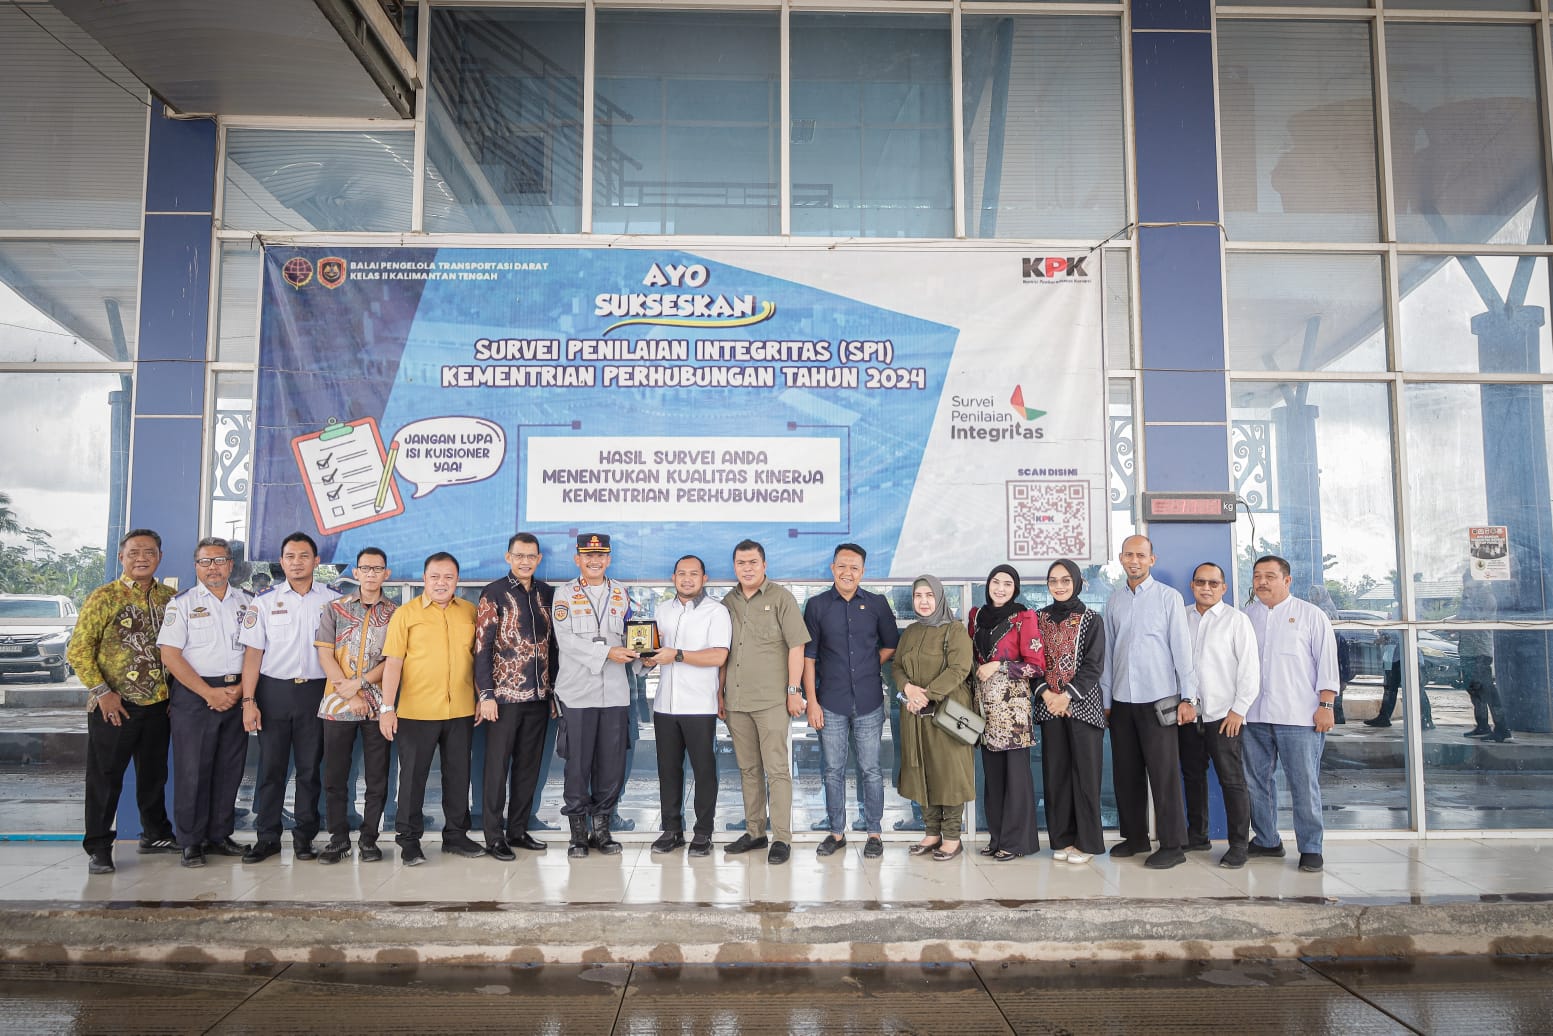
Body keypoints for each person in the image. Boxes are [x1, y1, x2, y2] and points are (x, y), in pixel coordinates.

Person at [70, 529, 178, 874]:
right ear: (122, 558)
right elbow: (78, 650)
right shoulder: (104, 597)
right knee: (105, 778)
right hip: (114, 705)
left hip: (159, 704)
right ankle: (99, 847)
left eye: (149, 552)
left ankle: (155, 833)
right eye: (134, 553)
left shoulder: (171, 599)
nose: (141, 558)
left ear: (159, 557)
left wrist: (175, 693)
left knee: (154, 775)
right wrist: (103, 693)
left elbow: (180, 651)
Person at [377, 551, 486, 865]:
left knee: (458, 776)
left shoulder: (469, 612)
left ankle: (456, 835)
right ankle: (409, 840)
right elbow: (393, 663)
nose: (441, 583)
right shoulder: (406, 614)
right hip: (416, 712)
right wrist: (387, 707)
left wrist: (481, 696)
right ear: (424, 579)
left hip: (461, 710)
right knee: (413, 779)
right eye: (435, 577)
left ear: (457, 580)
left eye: (448, 577)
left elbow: (477, 660)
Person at [238, 531, 339, 864]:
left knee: (310, 769)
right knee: (272, 768)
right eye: (290, 557)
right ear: (281, 562)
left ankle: (304, 837)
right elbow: (253, 655)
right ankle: (267, 837)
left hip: (316, 691)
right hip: (274, 692)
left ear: (316, 561)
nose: (297, 563)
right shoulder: (264, 602)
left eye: (304, 556)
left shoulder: (333, 600)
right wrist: (249, 701)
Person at [1100, 534, 1198, 870]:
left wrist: (1189, 697)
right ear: (1121, 558)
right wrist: (1107, 699)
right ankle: (1135, 837)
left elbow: (1182, 651)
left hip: (1159, 699)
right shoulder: (1114, 601)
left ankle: (1173, 845)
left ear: (1152, 560)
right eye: (1129, 555)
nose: (1134, 561)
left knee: (1164, 775)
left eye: (1141, 555)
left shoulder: (1169, 598)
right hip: (1122, 700)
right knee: (1126, 774)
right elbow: (1109, 655)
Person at [157, 536, 253, 868]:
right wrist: (207, 693)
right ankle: (191, 841)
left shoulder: (247, 602)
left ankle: (219, 834)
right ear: (196, 566)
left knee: (229, 768)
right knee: (193, 770)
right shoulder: (182, 604)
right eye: (205, 562)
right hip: (195, 695)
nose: (213, 567)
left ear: (231, 565)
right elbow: (170, 655)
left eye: (219, 560)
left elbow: (256, 650)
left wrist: (241, 689)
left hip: (236, 690)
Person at [1244, 554, 1340, 873]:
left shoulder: (1311, 615)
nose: (1262, 582)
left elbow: (1327, 664)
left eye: (1270, 576)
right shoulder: (1247, 616)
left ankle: (1311, 847)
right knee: (1256, 782)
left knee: (1303, 783)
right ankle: (1266, 840)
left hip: (1300, 716)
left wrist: (1326, 706)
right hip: (1254, 715)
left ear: (1287, 581)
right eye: (1257, 576)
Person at [803, 543, 899, 860]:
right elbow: (808, 657)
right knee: (833, 770)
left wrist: (867, 665)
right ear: (833, 568)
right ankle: (836, 832)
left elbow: (890, 645)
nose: (847, 572)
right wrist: (811, 701)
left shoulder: (876, 604)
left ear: (862, 571)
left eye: (854, 567)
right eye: (842, 566)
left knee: (871, 769)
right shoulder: (816, 606)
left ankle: (874, 832)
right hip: (830, 701)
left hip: (869, 701)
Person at [721, 539, 810, 866]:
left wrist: (793, 690)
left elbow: (797, 646)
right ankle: (755, 831)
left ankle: (782, 837)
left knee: (776, 770)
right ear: (734, 567)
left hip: (772, 700)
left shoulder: (781, 598)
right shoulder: (727, 602)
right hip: (736, 701)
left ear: (764, 565)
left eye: (753, 563)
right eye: (741, 563)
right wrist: (719, 694)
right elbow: (722, 652)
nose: (747, 568)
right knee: (748, 770)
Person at [551, 533, 637, 859]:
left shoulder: (621, 593)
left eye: (600, 555)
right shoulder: (565, 594)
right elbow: (565, 640)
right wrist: (607, 653)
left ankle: (602, 830)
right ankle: (578, 834)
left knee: (611, 765)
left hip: (614, 693)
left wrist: (643, 655)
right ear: (578, 559)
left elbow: (630, 634)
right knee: (577, 765)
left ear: (609, 559)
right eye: (588, 555)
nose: (594, 561)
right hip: (578, 693)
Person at [474, 532, 558, 860]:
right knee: (497, 768)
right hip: (504, 699)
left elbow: (554, 648)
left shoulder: (547, 594)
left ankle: (518, 830)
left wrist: (553, 692)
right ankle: (494, 836)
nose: (525, 561)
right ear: (508, 557)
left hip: (538, 696)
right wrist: (486, 694)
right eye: (519, 555)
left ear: (539, 559)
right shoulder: (494, 593)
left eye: (531, 556)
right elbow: (481, 648)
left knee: (528, 767)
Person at [642, 554, 732, 856]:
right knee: (668, 770)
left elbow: (719, 655)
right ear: (673, 578)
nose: (687, 579)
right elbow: (655, 650)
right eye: (682, 573)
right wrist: (648, 658)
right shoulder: (661, 610)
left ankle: (703, 832)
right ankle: (671, 830)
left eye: (694, 574)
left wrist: (677, 654)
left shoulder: (716, 611)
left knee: (704, 771)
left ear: (704, 579)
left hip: (699, 706)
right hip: (665, 705)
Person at [312, 547, 397, 864]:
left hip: (378, 705)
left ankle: (369, 839)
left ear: (386, 573)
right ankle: (338, 839)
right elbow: (324, 654)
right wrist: (349, 694)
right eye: (366, 568)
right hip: (337, 703)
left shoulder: (396, 613)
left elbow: (394, 660)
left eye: (378, 568)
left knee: (377, 777)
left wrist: (360, 685)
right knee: (335, 776)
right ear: (356, 573)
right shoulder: (335, 608)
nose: (371, 574)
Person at [1180, 562, 1259, 869]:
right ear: (1192, 585)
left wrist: (1239, 710)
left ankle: (1239, 844)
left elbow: (1249, 669)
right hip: (1190, 714)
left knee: (1232, 780)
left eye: (1213, 583)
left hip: (1225, 716)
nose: (1206, 588)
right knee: (1192, 776)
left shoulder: (1236, 621)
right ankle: (1197, 835)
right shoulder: (1181, 617)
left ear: (1224, 588)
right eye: (1200, 582)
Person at [892, 575, 976, 861]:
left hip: (947, 715)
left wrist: (926, 695)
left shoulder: (955, 630)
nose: (924, 601)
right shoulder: (911, 632)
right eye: (918, 596)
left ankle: (952, 837)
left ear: (940, 598)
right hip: (916, 716)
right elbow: (897, 666)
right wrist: (907, 689)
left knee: (949, 774)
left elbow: (959, 669)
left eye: (929, 595)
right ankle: (931, 833)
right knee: (922, 771)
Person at [968, 564, 1044, 860]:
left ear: (1015, 589)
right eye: (996, 582)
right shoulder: (977, 617)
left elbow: (1036, 666)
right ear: (988, 584)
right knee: (994, 777)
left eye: (1007, 584)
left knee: (1016, 778)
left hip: (1013, 709)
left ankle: (1015, 842)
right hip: (985, 708)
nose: (1000, 588)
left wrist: (999, 666)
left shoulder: (1024, 618)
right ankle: (997, 837)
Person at [1034, 560, 1107, 865]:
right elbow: (1032, 661)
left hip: (1083, 708)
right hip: (1050, 707)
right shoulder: (1037, 619)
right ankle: (1062, 839)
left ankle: (1086, 843)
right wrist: (1048, 695)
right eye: (1053, 581)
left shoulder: (1091, 620)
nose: (1059, 586)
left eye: (1065, 580)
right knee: (1056, 777)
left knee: (1085, 777)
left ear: (1077, 582)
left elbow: (1093, 665)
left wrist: (1066, 696)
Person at [1458, 578, 1512, 743]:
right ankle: (1482, 724)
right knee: (1474, 690)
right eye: (1465, 587)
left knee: (1487, 689)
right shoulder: (1467, 600)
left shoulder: (1487, 598)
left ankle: (1502, 727)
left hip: (1480, 651)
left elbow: (1477, 619)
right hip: (1467, 650)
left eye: (1469, 587)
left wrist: (1468, 602)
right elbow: (1461, 619)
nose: (1466, 591)